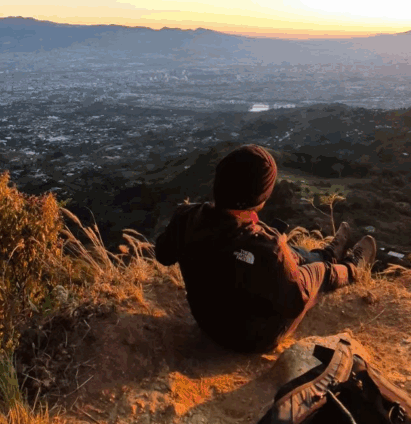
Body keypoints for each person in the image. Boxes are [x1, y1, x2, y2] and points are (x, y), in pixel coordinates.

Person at [154, 144, 376, 353]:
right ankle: (351, 267)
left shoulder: (185, 217)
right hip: (255, 340)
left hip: (207, 322)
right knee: (317, 272)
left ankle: (327, 253)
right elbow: (294, 302)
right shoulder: (267, 246)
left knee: (289, 254)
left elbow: (163, 254)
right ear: (261, 198)